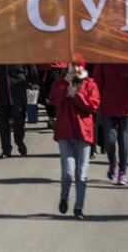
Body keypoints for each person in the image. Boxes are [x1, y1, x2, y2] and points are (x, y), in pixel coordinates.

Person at [50, 58, 100, 220]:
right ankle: (64, 195)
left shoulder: (90, 83)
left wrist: (77, 96)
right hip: (65, 132)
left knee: (81, 174)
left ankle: (79, 207)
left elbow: (93, 106)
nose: (75, 69)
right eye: (73, 65)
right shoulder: (61, 82)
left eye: (78, 65)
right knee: (68, 172)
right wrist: (66, 86)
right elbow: (54, 101)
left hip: (83, 133)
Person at [94, 63, 128, 185]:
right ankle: (113, 162)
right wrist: (96, 103)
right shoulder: (103, 63)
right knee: (109, 140)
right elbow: (97, 84)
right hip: (108, 105)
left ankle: (122, 172)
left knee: (123, 139)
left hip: (126, 106)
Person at [0, 64, 39, 157]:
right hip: (0, 86)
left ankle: (19, 141)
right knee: (2, 121)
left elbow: (30, 63)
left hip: (18, 85)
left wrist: (34, 81)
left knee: (18, 120)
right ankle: (6, 149)